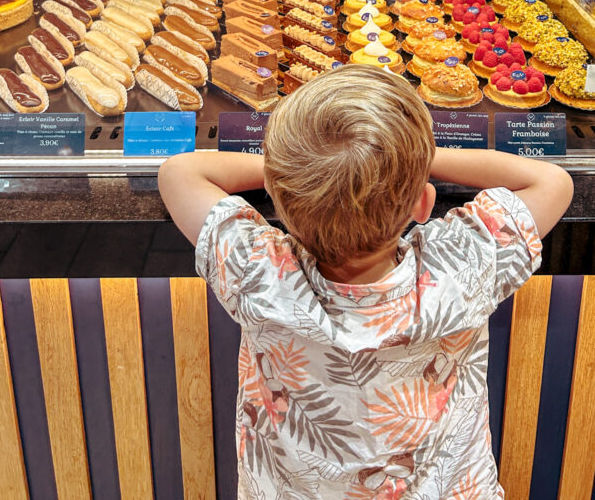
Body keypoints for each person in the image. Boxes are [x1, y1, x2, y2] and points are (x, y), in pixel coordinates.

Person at [159, 65, 573, 499]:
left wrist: (302, 172)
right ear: (423, 202)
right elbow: (550, 181)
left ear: (278, 203)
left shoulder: (258, 270)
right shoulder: (463, 263)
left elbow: (180, 173)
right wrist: (412, 160)